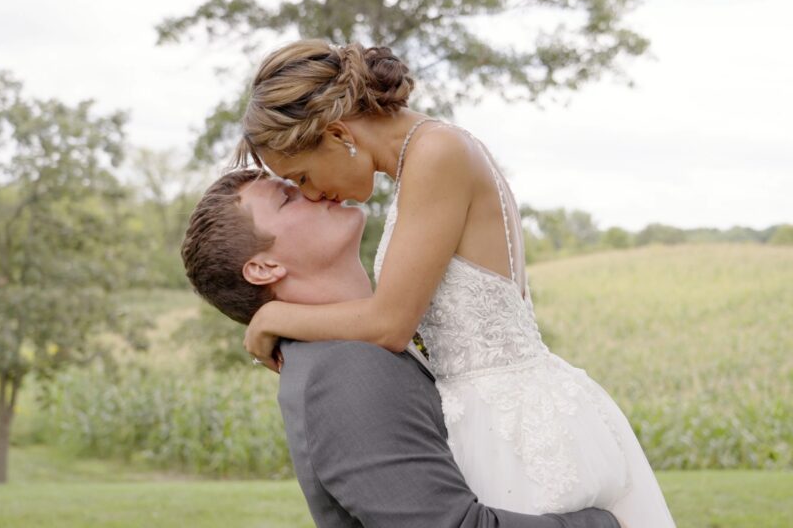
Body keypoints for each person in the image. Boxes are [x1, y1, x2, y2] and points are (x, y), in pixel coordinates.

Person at [236, 39, 675, 525]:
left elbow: (389, 324)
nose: (314, 194)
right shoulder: (427, 158)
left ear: (339, 134)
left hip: (509, 427)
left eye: (302, 176)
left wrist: (272, 316)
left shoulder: (437, 152)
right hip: (482, 413)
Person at [181, 169, 622, 528]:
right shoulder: (344, 368)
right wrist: (606, 523)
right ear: (263, 267)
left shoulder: (367, 340)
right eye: (288, 198)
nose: (312, 190)